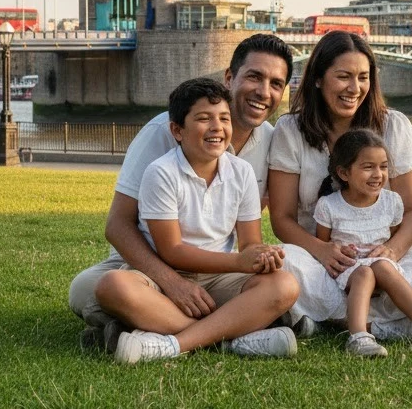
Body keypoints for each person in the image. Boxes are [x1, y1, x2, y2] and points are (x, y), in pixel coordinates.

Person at [69, 33, 293, 350]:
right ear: (230, 78)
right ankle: (228, 337)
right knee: (87, 290)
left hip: (215, 270)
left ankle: (151, 330)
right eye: (254, 77)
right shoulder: (163, 132)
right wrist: (172, 282)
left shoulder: (271, 140)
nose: (263, 92)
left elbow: (252, 237)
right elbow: (118, 225)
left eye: (276, 84)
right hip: (147, 263)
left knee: (282, 285)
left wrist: (261, 256)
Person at [267, 30, 412, 339]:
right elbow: (281, 218)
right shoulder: (290, 130)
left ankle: (330, 321)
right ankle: (387, 325)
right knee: (284, 264)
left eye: (363, 78)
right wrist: (322, 250)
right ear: (318, 78)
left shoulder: (393, 125)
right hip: (320, 257)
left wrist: (391, 252)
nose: (355, 89)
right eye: (343, 77)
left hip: (384, 252)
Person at [314, 128, 412, 357]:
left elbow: (392, 237)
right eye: (368, 167)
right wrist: (342, 251)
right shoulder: (329, 205)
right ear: (343, 173)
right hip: (350, 268)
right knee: (364, 273)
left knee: (382, 266)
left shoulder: (392, 202)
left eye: (383, 167)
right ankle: (359, 337)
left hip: (382, 263)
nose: (378, 174)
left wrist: (382, 252)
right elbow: (323, 244)